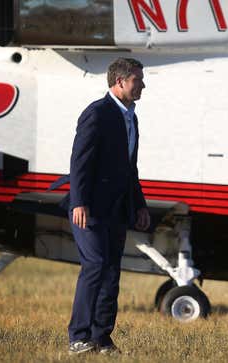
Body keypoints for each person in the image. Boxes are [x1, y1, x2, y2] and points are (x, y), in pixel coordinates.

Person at [66, 57, 150, 355]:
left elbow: (131, 168)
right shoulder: (97, 113)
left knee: (112, 271)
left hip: (117, 208)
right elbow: (80, 162)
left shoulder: (131, 117)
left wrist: (139, 205)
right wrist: (79, 202)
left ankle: (101, 337)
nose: (142, 85)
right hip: (89, 208)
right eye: (137, 80)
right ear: (120, 82)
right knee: (95, 265)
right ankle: (78, 336)